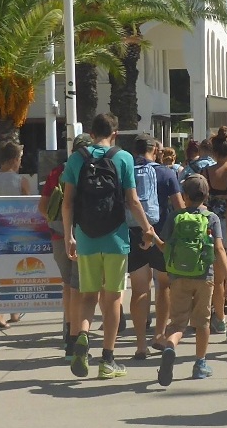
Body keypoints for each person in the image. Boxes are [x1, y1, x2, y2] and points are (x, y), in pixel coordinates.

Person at [61, 113, 156, 380]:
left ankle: (81, 336)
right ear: (114, 134)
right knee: (113, 298)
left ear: (91, 134)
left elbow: (67, 203)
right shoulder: (123, 158)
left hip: (86, 237)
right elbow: (133, 201)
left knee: (88, 295)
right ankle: (108, 359)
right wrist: (147, 228)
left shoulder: (76, 158)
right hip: (116, 238)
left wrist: (70, 236)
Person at [149, 174, 227, 384]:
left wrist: (153, 238)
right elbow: (219, 248)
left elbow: (165, 248)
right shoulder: (211, 218)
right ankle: (200, 364)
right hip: (205, 276)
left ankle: (169, 347)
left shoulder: (175, 217)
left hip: (178, 277)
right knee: (202, 323)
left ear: (184, 196)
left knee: (177, 323)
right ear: (206, 196)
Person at [129, 134, 186, 360]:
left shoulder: (128, 172)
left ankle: (140, 344)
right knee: (164, 286)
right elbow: (180, 208)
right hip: (161, 236)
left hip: (135, 234)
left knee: (139, 290)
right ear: (155, 150)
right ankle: (159, 335)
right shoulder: (166, 172)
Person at [40, 132, 93, 359]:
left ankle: (67, 333)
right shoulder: (87, 169)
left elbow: (43, 206)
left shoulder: (56, 172)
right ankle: (74, 341)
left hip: (58, 235)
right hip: (82, 235)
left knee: (67, 285)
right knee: (79, 288)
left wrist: (57, 226)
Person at [0, 141, 32, 329]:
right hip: (17, 232)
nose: (20, 162)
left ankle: (6, 311)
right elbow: (29, 209)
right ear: (13, 159)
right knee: (17, 270)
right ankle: (7, 312)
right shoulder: (21, 181)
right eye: (19, 158)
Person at [202, 127, 227, 344]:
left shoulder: (206, 173)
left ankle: (220, 318)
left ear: (214, 152)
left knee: (217, 280)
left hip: (212, 228)